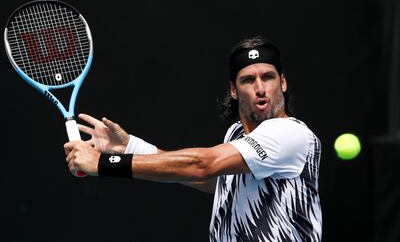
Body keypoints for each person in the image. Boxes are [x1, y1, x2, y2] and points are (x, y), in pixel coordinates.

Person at [64, 36, 322, 241]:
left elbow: (201, 165)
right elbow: (215, 181)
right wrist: (130, 147)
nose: (260, 88)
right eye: (248, 80)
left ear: (283, 83)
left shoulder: (291, 134)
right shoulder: (236, 135)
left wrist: (103, 163)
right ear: (234, 90)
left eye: (268, 77)